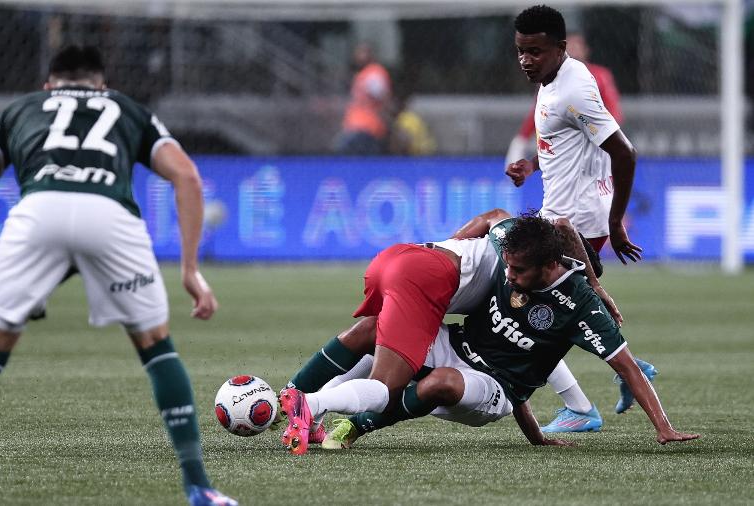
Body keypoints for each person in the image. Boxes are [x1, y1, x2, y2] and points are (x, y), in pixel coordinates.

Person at [0, 46, 236, 506]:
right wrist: (190, 270)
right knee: (156, 348)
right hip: (109, 215)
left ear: (48, 85)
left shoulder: (19, 109)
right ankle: (198, 488)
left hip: (38, 211)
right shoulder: (128, 109)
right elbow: (186, 177)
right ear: (101, 85)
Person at [316, 215, 699, 450]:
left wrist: (665, 428)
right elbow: (515, 220)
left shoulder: (581, 308)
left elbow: (628, 368)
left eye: (518, 272)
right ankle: (297, 399)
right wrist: (449, 248)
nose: (509, 276)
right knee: (373, 327)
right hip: (456, 345)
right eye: (508, 268)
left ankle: (355, 426)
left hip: (491, 390)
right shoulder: (521, 248)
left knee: (440, 383)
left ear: (550, 266)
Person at [277, 208, 619, 454]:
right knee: (384, 387)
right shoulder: (520, 279)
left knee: (372, 332)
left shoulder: (512, 243)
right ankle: (309, 405)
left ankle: (289, 399)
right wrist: (593, 284)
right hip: (426, 279)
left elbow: (493, 216)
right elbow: (526, 355)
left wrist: (455, 244)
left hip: (401, 256)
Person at [504, 5, 653, 431]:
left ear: (560, 49)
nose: (526, 60)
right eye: (521, 51)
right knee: (546, 312)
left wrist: (616, 222)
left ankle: (583, 409)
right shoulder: (552, 79)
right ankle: (629, 370)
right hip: (558, 213)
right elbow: (565, 141)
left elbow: (624, 152)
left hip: (577, 224)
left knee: (524, 314)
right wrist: (532, 164)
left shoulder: (575, 90)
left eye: (535, 52)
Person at [506, 32, 623, 165]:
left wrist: (603, 136)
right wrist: (521, 140)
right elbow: (539, 112)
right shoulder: (550, 79)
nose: (573, 51)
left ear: (586, 50)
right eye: (569, 47)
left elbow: (613, 110)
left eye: (577, 46)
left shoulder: (600, 76)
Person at [334, 42, 393, 155]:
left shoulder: (374, 73)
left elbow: (383, 96)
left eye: (363, 52)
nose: (359, 56)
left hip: (366, 128)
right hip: (355, 126)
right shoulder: (362, 74)